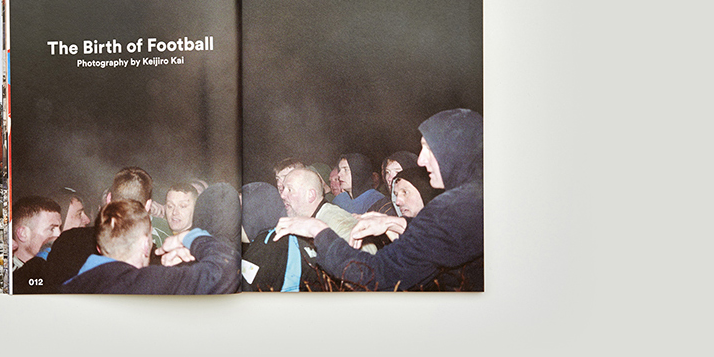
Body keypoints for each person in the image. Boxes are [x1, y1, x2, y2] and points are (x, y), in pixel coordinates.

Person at [273, 109, 484, 291]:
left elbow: (376, 276)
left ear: (456, 149)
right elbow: (443, 239)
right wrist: (399, 223)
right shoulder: (477, 197)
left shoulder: (454, 207)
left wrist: (318, 231)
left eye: (429, 148)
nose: (421, 160)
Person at [60, 199, 239, 294]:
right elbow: (228, 268)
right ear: (146, 245)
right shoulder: (151, 282)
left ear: (99, 248)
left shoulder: (66, 289)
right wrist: (191, 238)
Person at [242, 168, 375, 292]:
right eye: (283, 189)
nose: (282, 195)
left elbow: (368, 259)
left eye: (290, 190)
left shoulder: (334, 219)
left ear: (310, 195)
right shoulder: (305, 219)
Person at [11, 196, 63, 294]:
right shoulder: (8, 277)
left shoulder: (55, 268)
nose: (59, 235)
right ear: (23, 234)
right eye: (51, 229)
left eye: (60, 228)